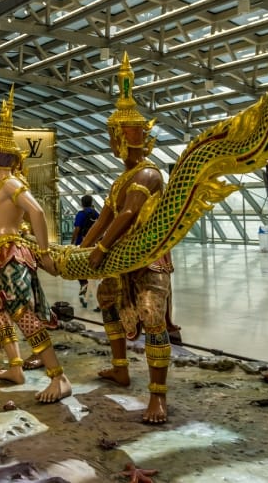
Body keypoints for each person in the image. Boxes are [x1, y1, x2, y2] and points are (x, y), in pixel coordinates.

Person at [81, 52, 174, 424]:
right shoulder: (120, 178)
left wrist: (100, 248)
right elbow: (104, 217)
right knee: (107, 304)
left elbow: (127, 214)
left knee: (153, 319)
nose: (110, 142)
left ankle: (158, 397)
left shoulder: (149, 174)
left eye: (113, 135)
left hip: (148, 258)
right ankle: (120, 368)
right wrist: (80, 252)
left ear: (124, 137)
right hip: (119, 260)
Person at [0, 86, 71, 403]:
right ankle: (15, 366)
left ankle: (58, 377)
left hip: (12, 256)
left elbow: (36, 212)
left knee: (23, 313)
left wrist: (45, 252)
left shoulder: (11, 182)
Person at [72, 195, 99, 307]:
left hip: (81, 244)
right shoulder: (96, 213)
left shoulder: (81, 214)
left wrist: (72, 242)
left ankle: (84, 283)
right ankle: (88, 287)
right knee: (91, 266)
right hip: (94, 244)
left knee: (78, 266)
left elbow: (77, 229)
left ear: (82, 203)